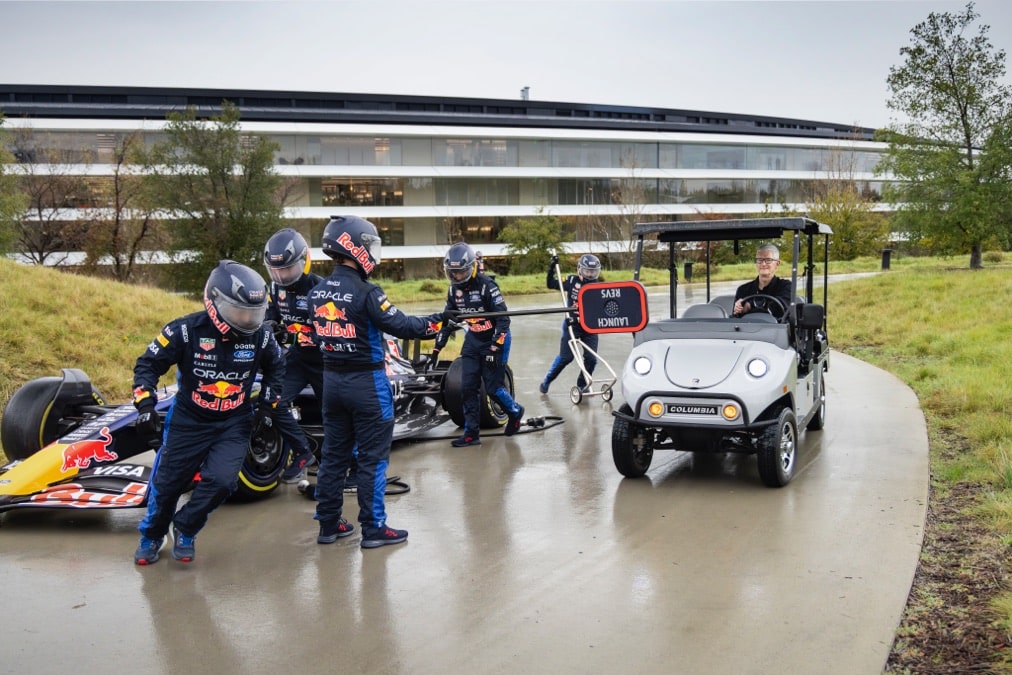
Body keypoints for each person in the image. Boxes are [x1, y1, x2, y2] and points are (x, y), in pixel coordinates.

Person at [308, 215, 449, 548]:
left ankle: (328, 526)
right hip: (367, 384)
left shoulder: (316, 293)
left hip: (332, 385)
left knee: (333, 458)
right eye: (369, 245)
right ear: (354, 246)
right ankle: (373, 529)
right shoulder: (367, 292)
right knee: (373, 459)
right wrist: (439, 323)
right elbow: (404, 326)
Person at [132, 260, 284, 565]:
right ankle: (152, 534)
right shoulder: (184, 331)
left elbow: (277, 367)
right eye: (239, 311)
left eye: (254, 312)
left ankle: (186, 526)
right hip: (189, 420)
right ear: (214, 302)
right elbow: (147, 365)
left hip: (234, 421)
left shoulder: (262, 336)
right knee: (168, 486)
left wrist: (268, 407)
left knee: (223, 481)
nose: (248, 319)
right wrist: (145, 405)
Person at [432, 241, 525, 447]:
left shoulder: (487, 286)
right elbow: (449, 320)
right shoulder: (452, 291)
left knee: (492, 388)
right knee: (468, 388)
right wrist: (438, 346)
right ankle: (471, 433)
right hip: (473, 340)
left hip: (495, 338)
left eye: (461, 272)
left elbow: (504, 320)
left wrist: (495, 346)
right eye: (453, 272)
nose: (457, 276)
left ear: (471, 268)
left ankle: (515, 411)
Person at [262, 228, 326, 484]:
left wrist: (295, 337)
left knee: (332, 414)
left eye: (286, 269)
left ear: (303, 261)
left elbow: (332, 334)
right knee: (272, 401)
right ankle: (302, 452)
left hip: (325, 361)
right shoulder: (274, 288)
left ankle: (335, 464)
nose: (281, 275)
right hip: (297, 359)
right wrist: (269, 328)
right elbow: (270, 319)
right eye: (276, 271)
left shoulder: (321, 290)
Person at [539, 253, 602, 395]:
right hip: (571, 325)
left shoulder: (598, 287)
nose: (591, 275)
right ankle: (547, 380)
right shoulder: (572, 280)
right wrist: (551, 267)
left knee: (591, 359)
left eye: (593, 272)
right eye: (588, 271)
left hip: (590, 327)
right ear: (580, 269)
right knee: (566, 357)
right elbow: (551, 284)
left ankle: (582, 385)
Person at [732, 244, 793, 317]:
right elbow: (735, 318)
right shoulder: (743, 290)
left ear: (777, 264)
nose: (763, 264)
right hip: (749, 327)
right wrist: (738, 308)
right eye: (759, 260)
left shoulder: (786, 286)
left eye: (768, 260)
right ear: (756, 263)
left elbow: (779, 306)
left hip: (777, 327)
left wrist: (750, 305)